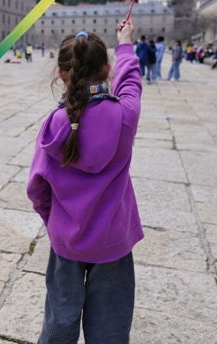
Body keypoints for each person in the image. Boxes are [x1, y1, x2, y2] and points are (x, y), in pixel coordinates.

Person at [27, 21, 142, 343]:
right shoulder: (126, 116)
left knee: (60, 315)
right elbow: (131, 83)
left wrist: (54, 221)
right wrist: (125, 43)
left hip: (67, 239)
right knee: (111, 320)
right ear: (107, 70)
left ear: (62, 74)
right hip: (114, 238)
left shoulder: (55, 123)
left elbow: (36, 187)